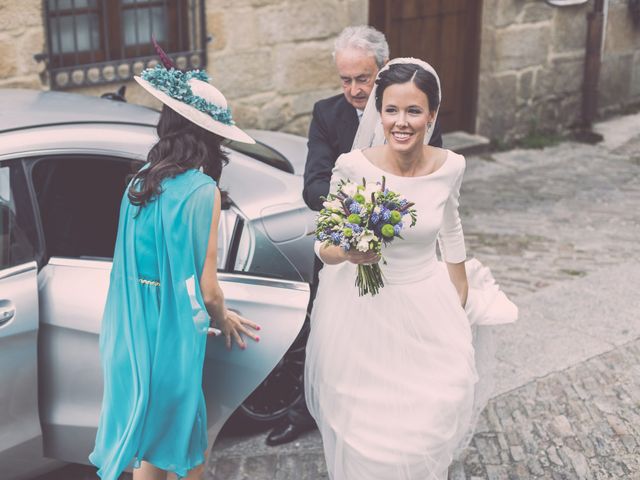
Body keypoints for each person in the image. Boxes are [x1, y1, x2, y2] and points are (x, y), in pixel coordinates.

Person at [304, 58, 517, 479]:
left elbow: (451, 226)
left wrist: (458, 292)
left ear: (432, 115)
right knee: (370, 437)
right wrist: (349, 253)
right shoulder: (353, 167)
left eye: (414, 111)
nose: (401, 122)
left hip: (425, 306)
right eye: (392, 110)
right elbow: (323, 244)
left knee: (430, 420)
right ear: (378, 112)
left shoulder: (451, 166)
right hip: (362, 317)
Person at [266, 24, 444, 447]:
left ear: (384, 70)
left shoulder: (413, 108)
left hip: (402, 251)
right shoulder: (326, 114)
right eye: (345, 80)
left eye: (362, 79)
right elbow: (313, 185)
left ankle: (389, 416)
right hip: (341, 245)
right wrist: (357, 210)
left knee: (395, 336)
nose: (354, 90)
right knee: (325, 334)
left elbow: (434, 179)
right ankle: (307, 407)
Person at [89, 55, 260, 480]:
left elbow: (125, 267)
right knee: (185, 445)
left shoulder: (139, 182)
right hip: (171, 338)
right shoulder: (204, 192)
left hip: (128, 333)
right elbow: (206, 289)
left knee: (152, 445)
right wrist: (225, 318)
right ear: (209, 137)